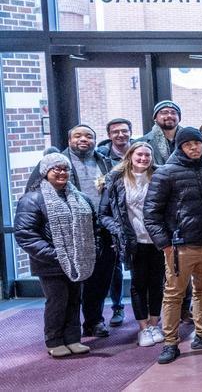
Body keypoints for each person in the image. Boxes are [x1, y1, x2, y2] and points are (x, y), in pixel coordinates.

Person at [145, 127, 202, 365]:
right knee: (173, 295)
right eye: (188, 144)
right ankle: (170, 342)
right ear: (180, 147)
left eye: (197, 143)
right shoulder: (165, 172)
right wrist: (165, 244)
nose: (194, 148)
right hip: (180, 246)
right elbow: (151, 213)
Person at [16, 153, 98, 358]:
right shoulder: (32, 199)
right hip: (50, 263)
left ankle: (73, 339)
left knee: (74, 300)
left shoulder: (80, 198)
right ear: (46, 172)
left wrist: (89, 249)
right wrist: (57, 255)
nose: (62, 173)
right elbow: (25, 234)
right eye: (56, 169)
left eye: (65, 169)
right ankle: (54, 341)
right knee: (57, 301)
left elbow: (92, 228)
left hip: (77, 261)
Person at [100, 141, 165, 347]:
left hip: (157, 240)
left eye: (147, 155)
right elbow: (104, 214)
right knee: (138, 284)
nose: (143, 158)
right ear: (130, 156)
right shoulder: (116, 180)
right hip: (133, 241)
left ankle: (154, 324)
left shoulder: (160, 176)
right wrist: (119, 230)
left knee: (157, 284)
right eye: (139, 155)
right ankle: (143, 328)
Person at [58, 125, 115, 339]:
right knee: (73, 281)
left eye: (89, 136)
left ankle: (94, 321)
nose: (84, 139)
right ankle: (69, 327)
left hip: (104, 228)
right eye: (78, 136)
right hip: (73, 229)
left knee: (101, 277)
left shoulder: (105, 162)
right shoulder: (58, 162)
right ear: (69, 140)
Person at [97, 118, 132, 326]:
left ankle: (146, 311)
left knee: (140, 269)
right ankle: (117, 307)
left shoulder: (139, 152)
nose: (120, 135)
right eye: (115, 131)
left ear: (130, 132)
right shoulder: (101, 157)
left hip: (135, 218)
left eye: (124, 131)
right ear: (109, 135)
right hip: (111, 217)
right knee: (114, 268)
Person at [141, 100, 183, 166]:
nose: (169, 115)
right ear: (155, 118)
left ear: (179, 118)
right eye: (164, 113)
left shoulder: (191, 140)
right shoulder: (142, 142)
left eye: (173, 113)